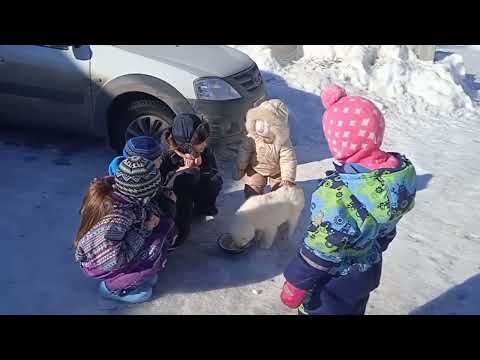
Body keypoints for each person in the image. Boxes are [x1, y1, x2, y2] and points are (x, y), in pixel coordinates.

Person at [280, 84, 417, 315]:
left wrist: (296, 282)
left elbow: (321, 247)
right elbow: (388, 226)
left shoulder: (336, 194)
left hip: (334, 280)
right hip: (368, 270)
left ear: (338, 143)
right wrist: (377, 242)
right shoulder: (397, 177)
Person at [74, 156, 176, 303]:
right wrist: (146, 229)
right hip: (100, 263)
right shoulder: (117, 220)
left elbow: (140, 211)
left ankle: (133, 274)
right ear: (142, 192)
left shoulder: (118, 192)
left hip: (111, 248)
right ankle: (112, 288)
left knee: (163, 230)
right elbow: (112, 260)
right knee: (153, 249)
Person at [158, 113, 223, 248]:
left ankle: (203, 207)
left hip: (196, 183)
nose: (205, 144)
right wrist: (180, 170)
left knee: (215, 180)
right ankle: (179, 229)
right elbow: (161, 184)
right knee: (185, 186)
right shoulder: (166, 153)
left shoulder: (203, 150)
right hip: (176, 194)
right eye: (201, 142)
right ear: (187, 144)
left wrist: (201, 167)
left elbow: (213, 170)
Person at [233, 99, 297, 199]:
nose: (262, 127)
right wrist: (241, 167)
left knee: (282, 192)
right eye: (260, 121)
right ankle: (254, 205)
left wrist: (288, 178)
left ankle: (278, 205)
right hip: (256, 168)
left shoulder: (283, 141)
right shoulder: (252, 137)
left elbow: (288, 160)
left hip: (277, 171)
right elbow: (244, 152)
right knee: (252, 188)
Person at [108, 136, 176, 219]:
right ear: (144, 165)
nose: (161, 161)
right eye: (158, 159)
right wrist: (171, 202)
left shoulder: (122, 175)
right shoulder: (140, 188)